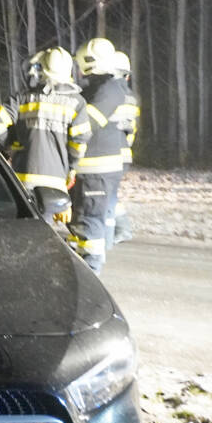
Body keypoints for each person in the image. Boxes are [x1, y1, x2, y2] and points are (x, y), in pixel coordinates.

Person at [0, 46, 92, 222]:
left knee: (21, 226)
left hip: (22, 179)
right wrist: (72, 166)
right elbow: (79, 142)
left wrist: (11, 146)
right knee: (43, 229)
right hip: (54, 183)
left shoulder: (22, 98)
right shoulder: (77, 103)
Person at [70, 37, 130, 273]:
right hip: (95, 168)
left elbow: (87, 126)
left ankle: (91, 270)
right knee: (86, 218)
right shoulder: (103, 88)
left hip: (96, 169)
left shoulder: (108, 89)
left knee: (90, 219)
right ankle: (83, 261)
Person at [109, 51, 140, 245]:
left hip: (111, 153)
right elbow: (131, 130)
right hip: (123, 152)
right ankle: (118, 228)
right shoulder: (130, 97)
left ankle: (121, 228)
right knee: (110, 193)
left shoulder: (110, 96)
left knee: (108, 194)